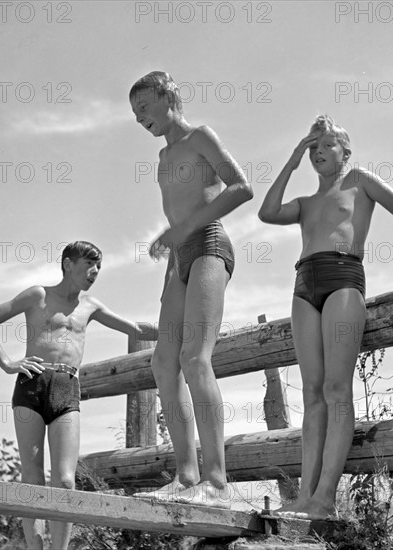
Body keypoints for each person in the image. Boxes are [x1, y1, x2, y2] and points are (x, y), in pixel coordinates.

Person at [258, 115, 393, 520]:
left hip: (343, 277)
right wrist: (292, 156)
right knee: (312, 392)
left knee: (337, 388)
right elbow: (266, 213)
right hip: (303, 284)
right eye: (312, 148)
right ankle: (305, 499)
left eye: (325, 145)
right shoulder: (305, 203)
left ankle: (325, 500)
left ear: (346, 151)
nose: (317, 152)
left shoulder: (360, 180)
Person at [0, 241, 158, 549]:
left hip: (67, 388)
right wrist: (8, 363)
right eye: (89, 264)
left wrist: (177, 327)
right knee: (32, 478)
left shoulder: (92, 306)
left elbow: (136, 329)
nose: (95, 271)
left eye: (98, 266)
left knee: (64, 481)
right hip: (30, 385)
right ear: (68, 264)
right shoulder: (38, 295)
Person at [129, 71, 253, 509]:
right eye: (134, 114)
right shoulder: (163, 157)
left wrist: (180, 228)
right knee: (164, 362)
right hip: (180, 259)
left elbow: (241, 187)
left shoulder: (200, 135)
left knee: (194, 357)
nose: (139, 118)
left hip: (209, 245)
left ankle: (217, 481)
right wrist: (171, 239)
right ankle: (187, 478)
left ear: (167, 96)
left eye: (144, 107)